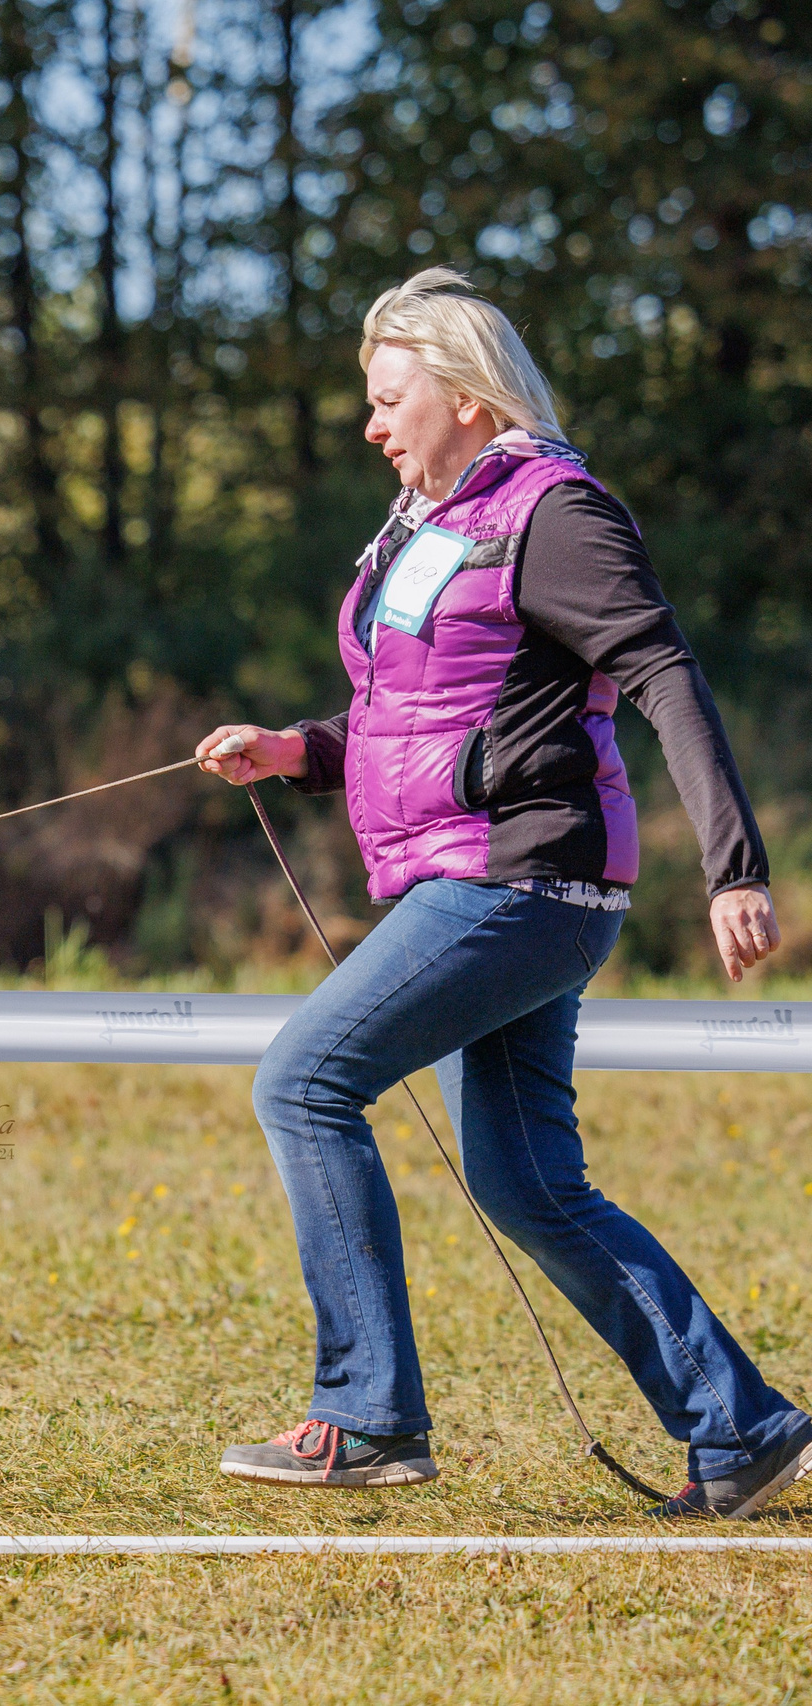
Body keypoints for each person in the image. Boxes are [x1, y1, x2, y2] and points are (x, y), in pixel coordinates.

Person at [194, 267, 808, 1520]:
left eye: (389, 397)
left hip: (516, 879)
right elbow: (417, 712)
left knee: (303, 1081)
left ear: (466, 394)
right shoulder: (430, 523)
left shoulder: (553, 510)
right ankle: (740, 1431)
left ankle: (367, 1412)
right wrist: (296, 750)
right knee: (526, 1181)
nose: (371, 423)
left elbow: (665, 677)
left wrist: (734, 865)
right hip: (485, 879)